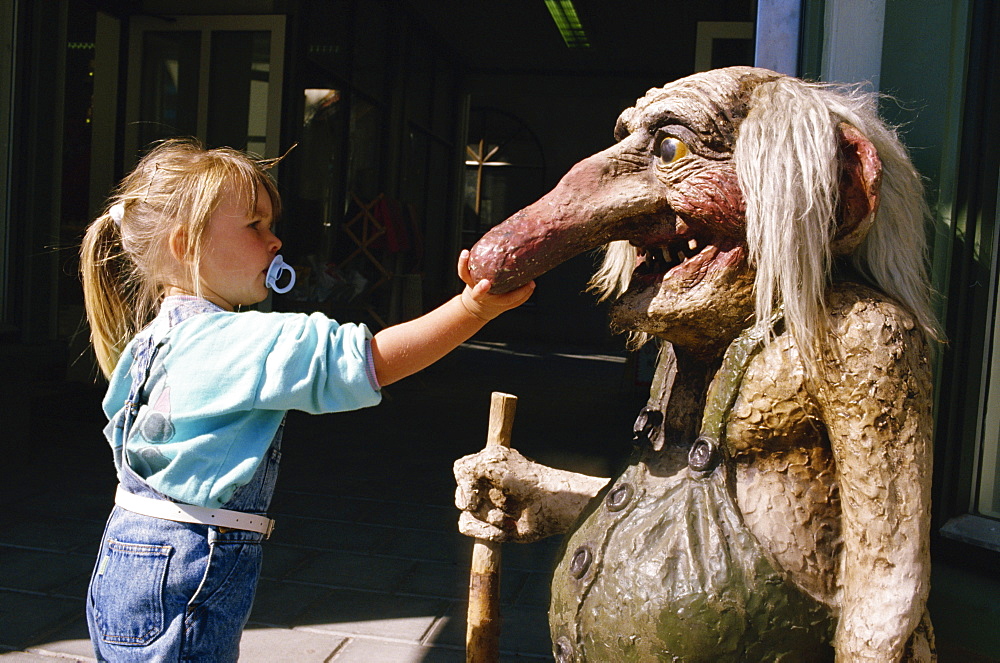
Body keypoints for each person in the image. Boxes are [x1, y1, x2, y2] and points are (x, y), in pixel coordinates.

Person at [79, 137, 534, 662]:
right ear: (185, 246)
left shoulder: (150, 340)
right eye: (255, 226)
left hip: (123, 560)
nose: (274, 241)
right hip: (186, 573)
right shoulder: (238, 340)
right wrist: (471, 310)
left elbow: (119, 425)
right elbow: (367, 360)